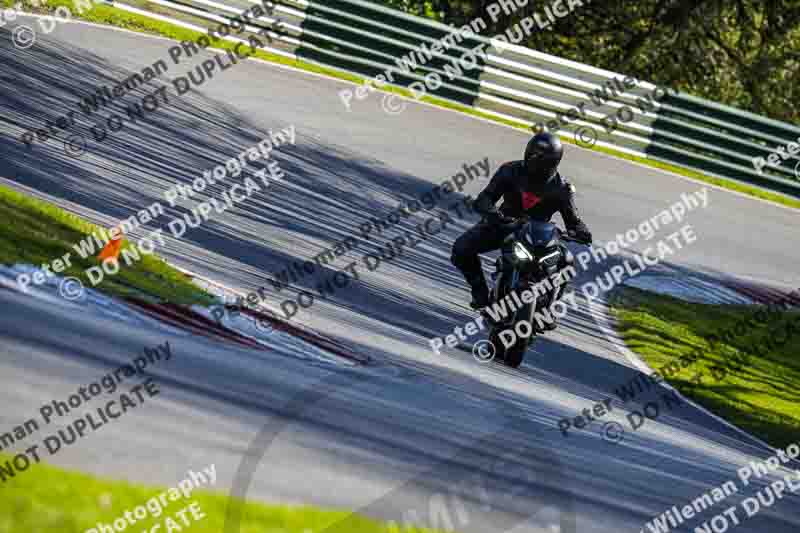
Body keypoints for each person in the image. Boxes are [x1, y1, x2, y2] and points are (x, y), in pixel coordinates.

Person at [451, 132, 592, 314]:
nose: (535, 160)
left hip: (539, 236)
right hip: (505, 225)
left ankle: (549, 308)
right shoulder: (509, 170)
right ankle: (480, 293)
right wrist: (494, 215)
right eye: (533, 155)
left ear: (553, 161)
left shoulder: (562, 188)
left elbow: (573, 220)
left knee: (567, 261)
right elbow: (484, 198)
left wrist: (581, 232)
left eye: (541, 158)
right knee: (461, 249)